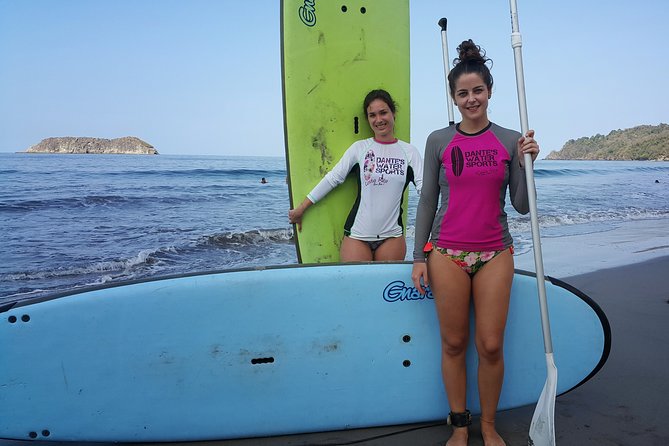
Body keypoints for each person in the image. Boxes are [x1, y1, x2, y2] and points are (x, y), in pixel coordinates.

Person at [410, 40, 540, 446]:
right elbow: (428, 200)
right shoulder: (437, 140)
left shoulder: (509, 139)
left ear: (490, 91)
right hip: (446, 252)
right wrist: (418, 257)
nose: (471, 99)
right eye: (463, 93)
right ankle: (461, 427)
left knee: (490, 344)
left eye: (477, 91)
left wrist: (527, 163)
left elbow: (520, 206)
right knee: (453, 342)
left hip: (495, 251)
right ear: (454, 98)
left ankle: (488, 425)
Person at [289, 89, 423, 261]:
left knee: (384, 287)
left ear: (393, 113)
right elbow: (333, 178)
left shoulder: (409, 152)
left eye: (383, 113)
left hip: (392, 237)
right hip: (357, 236)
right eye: (372, 115)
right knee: (355, 287)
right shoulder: (360, 149)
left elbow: (425, 191)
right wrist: (301, 208)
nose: (379, 119)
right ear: (368, 119)